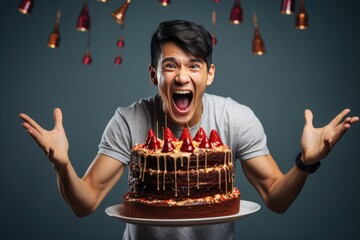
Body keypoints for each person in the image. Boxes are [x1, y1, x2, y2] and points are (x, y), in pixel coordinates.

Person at [19, 20, 358, 240]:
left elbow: (275, 196)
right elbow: (85, 201)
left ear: (209, 74)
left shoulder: (235, 118)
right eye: (171, 66)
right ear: (154, 75)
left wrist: (306, 162)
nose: (182, 77)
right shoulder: (129, 120)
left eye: (194, 66)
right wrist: (61, 165)